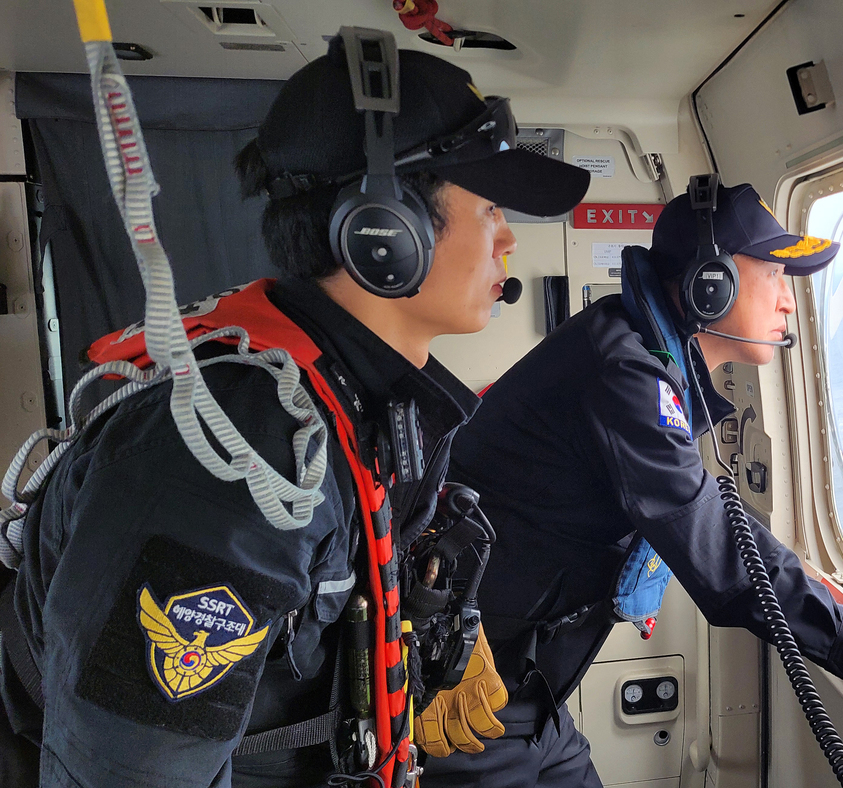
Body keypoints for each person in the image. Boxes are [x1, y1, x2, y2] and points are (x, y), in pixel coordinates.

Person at [0, 32, 589, 787]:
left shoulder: (360, 400)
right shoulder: (232, 459)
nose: (509, 238)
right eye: (491, 206)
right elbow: (128, 773)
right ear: (385, 232)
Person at [434, 181, 843, 787]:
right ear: (710, 283)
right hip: (463, 697)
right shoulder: (625, 373)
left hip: (527, 696)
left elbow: (712, 520)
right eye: (774, 274)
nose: (787, 301)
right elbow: (719, 552)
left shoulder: (645, 359)